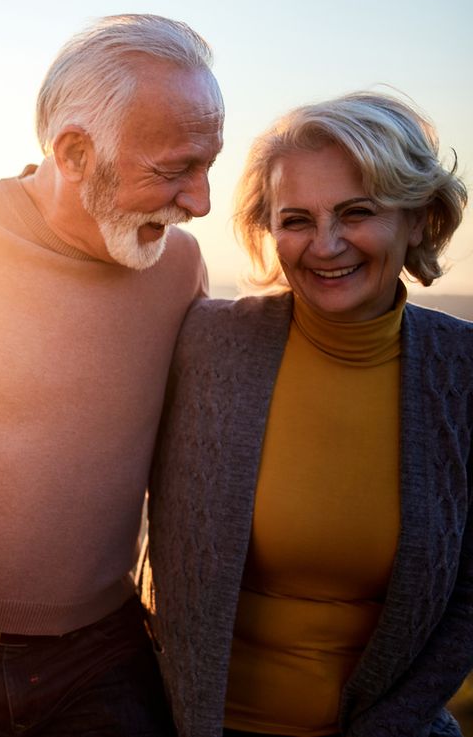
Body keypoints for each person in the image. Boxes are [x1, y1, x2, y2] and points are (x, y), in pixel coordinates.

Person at [0, 14, 224, 735]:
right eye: (174, 170)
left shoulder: (181, 267)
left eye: (207, 166)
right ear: (74, 151)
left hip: (99, 660)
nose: (199, 203)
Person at [142, 92, 472, 736]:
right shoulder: (207, 343)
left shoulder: (463, 374)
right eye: (296, 220)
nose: (325, 246)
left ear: (419, 219)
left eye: (357, 212)